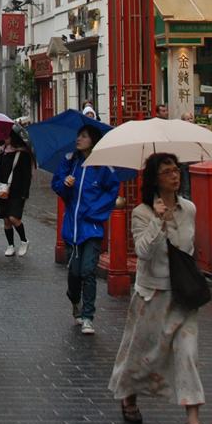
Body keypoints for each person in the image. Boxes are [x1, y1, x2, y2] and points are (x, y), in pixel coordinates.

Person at [109, 153, 211, 424]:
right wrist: (159, 221)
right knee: (142, 352)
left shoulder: (189, 208)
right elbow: (143, 252)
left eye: (176, 170)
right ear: (155, 178)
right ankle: (129, 395)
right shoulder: (142, 212)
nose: (174, 176)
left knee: (188, 354)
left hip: (183, 295)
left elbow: (190, 247)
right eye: (167, 172)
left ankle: (193, 420)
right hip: (152, 293)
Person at [53, 124, 121, 335]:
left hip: (91, 227)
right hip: (72, 227)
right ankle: (74, 299)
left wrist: (94, 212)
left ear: (93, 140)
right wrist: (66, 183)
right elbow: (57, 186)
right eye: (78, 135)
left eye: (83, 136)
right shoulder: (70, 162)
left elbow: (112, 191)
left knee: (88, 271)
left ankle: (88, 316)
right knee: (74, 272)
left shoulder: (102, 166)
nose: (78, 139)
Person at [0, 127, 34, 257]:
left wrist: (24, 194)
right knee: (6, 220)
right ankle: (10, 245)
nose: (5, 139)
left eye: (7, 136)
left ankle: (24, 240)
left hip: (17, 191)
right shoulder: (3, 151)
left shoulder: (23, 154)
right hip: (3, 191)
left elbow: (27, 176)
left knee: (13, 218)